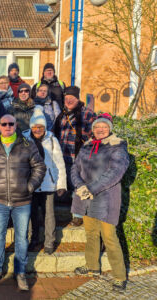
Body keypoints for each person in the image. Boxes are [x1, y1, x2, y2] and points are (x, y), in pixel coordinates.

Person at [0, 114, 46, 290]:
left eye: (11, 123)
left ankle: (20, 272)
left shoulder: (27, 145)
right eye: (4, 124)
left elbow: (40, 167)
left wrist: (30, 186)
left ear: (16, 125)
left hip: (22, 201)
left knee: (21, 238)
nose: (8, 126)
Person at [71, 113, 129, 292]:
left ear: (109, 129)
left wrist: (91, 188)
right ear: (93, 130)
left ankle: (119, 276)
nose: (100, 129)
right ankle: (92, 267)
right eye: (97, 127)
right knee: (91, 234)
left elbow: (115, 172)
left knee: (110, 238)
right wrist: (80, 186)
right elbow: (75, 168)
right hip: (86, 199)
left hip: (105, 200)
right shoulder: (87, 146)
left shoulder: (117, 147)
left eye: (103, 127)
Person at [22, 108, 66, 254]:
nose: (37, 130)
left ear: (45, 127)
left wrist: (61, 184)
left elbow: (59, 162)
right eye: (35, 127)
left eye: (40, 127)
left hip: (48, 183)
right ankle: (33, 240)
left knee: (49, 215)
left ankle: (49, 242)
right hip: (31, 184)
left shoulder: (52, 139)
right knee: (31, 215)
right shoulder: (24, 139)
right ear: (31, 127)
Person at [54, 86, 96, 226]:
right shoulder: (62, 115)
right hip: (64, 158)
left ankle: (78, 216)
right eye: (66, 99)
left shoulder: (87, 113)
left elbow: (96, 134)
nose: (69, 101)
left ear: (77, 99)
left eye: (72, 98)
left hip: (80, 159)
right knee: (68, 187)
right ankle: (68, 215)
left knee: (80, 187)